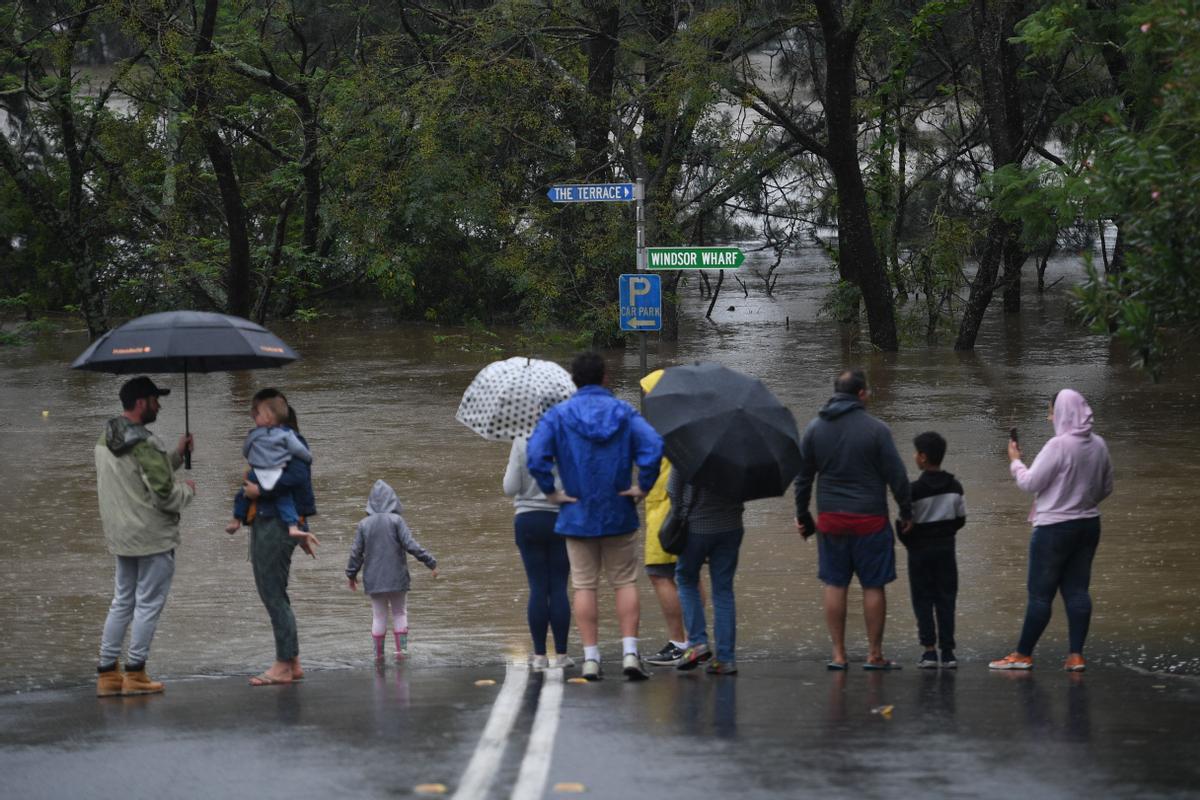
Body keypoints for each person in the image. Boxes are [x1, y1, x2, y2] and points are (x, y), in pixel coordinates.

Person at [527, 352, 664, 681]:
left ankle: (591, 658)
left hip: (576, 513)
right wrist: (642, 486)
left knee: (584, 586)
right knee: (625, 582)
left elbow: (535, 456)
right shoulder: (624, 412)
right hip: (618, 509)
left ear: (574, 379)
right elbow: (654, 445)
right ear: (605, 378)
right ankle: (630, 652)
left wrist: (551, 492)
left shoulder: (558, 415)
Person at [794, 368, 912, 670]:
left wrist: (803, 515)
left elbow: (803, 479)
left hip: (831, 521)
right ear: (861, 394)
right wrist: (906, 511)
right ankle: (874, 655)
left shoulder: (815, 429)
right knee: (873, 586)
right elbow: (897, 476)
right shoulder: (877, 430)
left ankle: (838, 654)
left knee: (835, 584)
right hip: (870, 520)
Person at [990, 389, 1114, 672]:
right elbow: (1106, 487)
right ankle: (1075, 656)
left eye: (1051, 411)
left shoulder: (1058, 446)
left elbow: (1030, 483)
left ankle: (1023, 654)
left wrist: (1015, 461)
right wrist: (1082, 502)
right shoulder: (1099, 445)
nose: (1049, 417)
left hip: (1054, 529)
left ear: (1063, 414)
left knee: (1040, 594)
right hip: (1088, 525)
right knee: (1078, 591)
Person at [94, 376, 195, 697]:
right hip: (152, 537)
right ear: (141, 403)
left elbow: (140, 474)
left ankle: (108, 675)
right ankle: (135, 673)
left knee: (122, 601)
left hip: (121, 535)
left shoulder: (105, 438)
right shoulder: (145, 442)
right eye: (155, 399)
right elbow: (164, 493)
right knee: (149, 604)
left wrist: (177, 454)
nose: (158, 405)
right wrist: (188, 492)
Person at [236, 388, 319, 686]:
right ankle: (292, 661)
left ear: (270, 415)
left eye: (256, 413)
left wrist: (261, 491)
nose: (253, 419)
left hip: (276, 524)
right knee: (275, 592)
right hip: (271, 521)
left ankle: (283, 664)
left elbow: (299, 476)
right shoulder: (274, 442)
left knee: (272, 593)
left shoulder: (289, 441)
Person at [346, 480, 439, 661]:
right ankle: (401, 653)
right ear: (393, 500)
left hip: (374, 580)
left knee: (378, 616)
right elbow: (411, 545)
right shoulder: (397, 521)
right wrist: (430, 562)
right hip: (397, 578)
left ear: (370, 503)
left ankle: (378, 655)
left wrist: (351, 574)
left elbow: (356, 552)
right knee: (399, 613)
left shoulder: (364, 524)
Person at [504, 435, 573, 670]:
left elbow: (509, 487)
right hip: (562, 517)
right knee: (559, 587)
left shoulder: (522, 441)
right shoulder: (567, 436)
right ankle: (562, 655)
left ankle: (540, 656)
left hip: (528, 519)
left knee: (538, 587)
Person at [640, 369, 694, 668]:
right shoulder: (690, 428)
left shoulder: (654, 431)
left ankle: (678, 641)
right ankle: (696, 639)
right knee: (688, 574)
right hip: (692, 514)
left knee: (660, 573)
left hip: (663, 511)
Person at [670, 465, 746, 675]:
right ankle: (725, 659)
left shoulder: (689, 449)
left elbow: (673, 489)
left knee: (686, 579)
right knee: (723, 590)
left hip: (696, 527)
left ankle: (697, 643)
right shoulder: (740, 453)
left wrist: (678, 516)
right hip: (731, 527)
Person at [899, 432, 966, 669]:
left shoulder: (913, 490)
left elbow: (904, 525)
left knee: (923, 600)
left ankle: (929, 651)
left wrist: (912, 543)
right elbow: (960, 519)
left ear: (923, 458)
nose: (915, 456)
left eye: (916, 453)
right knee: (946, 599)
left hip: (919, 553)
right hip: (946, 551)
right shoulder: (955, 487)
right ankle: (948, 652)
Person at [226, 394, 311, 539]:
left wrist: (259, 490)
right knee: (282, 498)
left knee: (244, 493)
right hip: (268, 517)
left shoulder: (261, 435)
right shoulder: (287, 438)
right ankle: (293, 527)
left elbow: (298, 478)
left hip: (272, 525)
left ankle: (236, 520)